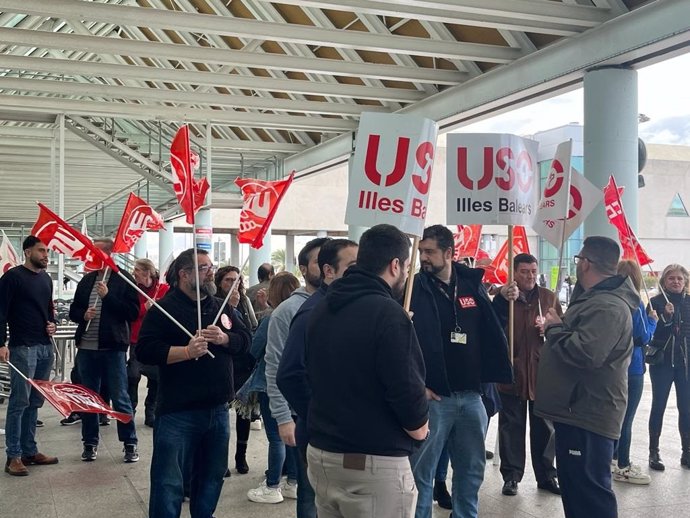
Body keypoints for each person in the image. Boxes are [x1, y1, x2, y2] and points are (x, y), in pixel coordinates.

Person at [306, 224, 429, 518]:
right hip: (374, 463)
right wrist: (420, 428)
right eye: (408, 266)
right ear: (395, 265)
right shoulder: (388, 314)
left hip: (323, 454)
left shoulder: (321, 308)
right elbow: (405, 388)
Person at [137, 248, 251, 518]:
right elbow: (145, 351)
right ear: (184, 274)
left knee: (212, 476)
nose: (211, 270)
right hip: (178, 410)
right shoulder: (165, 308)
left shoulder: (219, 305)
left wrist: (224, 339)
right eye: (203, 267)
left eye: (210, 266)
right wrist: (186, 352)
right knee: (169, 482)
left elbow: (245, 341)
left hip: (219, 408)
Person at [409, 224, 512, 518]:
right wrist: (418, 386)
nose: (423, 258)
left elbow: (491, 329)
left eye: (429, 252)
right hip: (433, 399)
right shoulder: (411, 290)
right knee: (422, 475)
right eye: (421, 252)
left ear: (450, 253)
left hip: (471, 397)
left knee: (470, 472)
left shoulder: (471, 285)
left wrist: (504, 300)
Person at [535, 236, 638, 518]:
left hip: (588, 414)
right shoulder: (595, 300)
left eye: (579, 259)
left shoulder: (608, 306)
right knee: (579, 493)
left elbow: (587, 353)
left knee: (589, 497)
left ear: (586, 263)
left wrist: (555, 328)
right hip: (577, 410)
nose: (577, 264)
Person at [277, 238, 359, 518]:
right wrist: (318, 411)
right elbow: (288, 373)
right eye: (353, 266)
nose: (360, 272)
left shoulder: (348, 306)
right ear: (329, 271)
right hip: (322, 432)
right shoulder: (314, 311)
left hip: (342, 431)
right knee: (313, 500)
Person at [257, 237, 329, 504]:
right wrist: (283, 418)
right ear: (303, 269)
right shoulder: (286, 312)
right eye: (318, 262)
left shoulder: (351, 306)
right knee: (309, 492)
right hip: (304, 415)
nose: (326, 267)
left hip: (343, 415)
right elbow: (275, 366)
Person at [492, 253, 561, 496]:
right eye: (524, 272)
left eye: (533, 271)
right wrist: (501, 300)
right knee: (511, 427)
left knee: (545, 428)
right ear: (514, 273)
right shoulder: (506, 298)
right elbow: (492, 328)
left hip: (542, 374)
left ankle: (546, 476)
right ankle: (511, 476)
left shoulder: (548, 297)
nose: (530, 276)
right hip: (512, 373)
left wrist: (552, 328)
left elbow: (563, 332)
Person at [68, 238, 140, 463]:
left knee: (120, 396)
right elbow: (74, 311)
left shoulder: (123, 280)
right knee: (89, 397)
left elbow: (132, 312)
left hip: (113, 348)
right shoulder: (87, 280)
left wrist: (108, 297)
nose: (91, 256)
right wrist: (83, 315)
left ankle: (129, 443)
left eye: (95, 252)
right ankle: (90, 443)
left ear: (108, 254)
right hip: (86, 348)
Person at [236, 272, 301, 504]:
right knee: (292, 434)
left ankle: (272, 485)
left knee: (276, 437)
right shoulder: (304, 312)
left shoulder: (273, 317)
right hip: (295, 384)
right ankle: (293, 481)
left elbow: (254, 348)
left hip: (269, 383)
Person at [0, 236, 59, 476]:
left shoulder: (46, 278)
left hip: (44, 346)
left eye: (47, 251)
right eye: (41, 250)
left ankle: (29, 450)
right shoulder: (12, 278)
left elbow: (48, 310)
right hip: (22, 347)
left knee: (35, 401)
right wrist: (1, 343)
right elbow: (0, 312)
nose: (46, 255)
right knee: (19, 402)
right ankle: (13, 455)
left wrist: (52, 324)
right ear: (27, 252)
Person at [611, 260, 657, 484]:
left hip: (611, 367)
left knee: (613, 416)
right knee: (626, 418)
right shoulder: (635, 302)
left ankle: (611, 458)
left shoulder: (609, 299)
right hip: (633, 367)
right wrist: (653, 321)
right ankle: (623, 464)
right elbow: (642, 337)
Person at [647, 263, 690, 471]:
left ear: (685, 282)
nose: (676, 282)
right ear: (664, 281)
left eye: (680, 279)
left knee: (686, 408)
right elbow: (652, 332)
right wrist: (666, 317)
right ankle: (653, 452)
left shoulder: (689, 302)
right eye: (671, 278)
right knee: (659, 406)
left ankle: (687, 451)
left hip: (685, 365)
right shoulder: (655, 302)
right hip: (662, 364)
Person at [214, 265, 256, 475]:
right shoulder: (215, 304)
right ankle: (221, 459)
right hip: (225, 363)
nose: (234, 284)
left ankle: (241, 455)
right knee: (222, 413)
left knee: (244, 412)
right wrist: (230, 309)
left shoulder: (245, 300)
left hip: (243, 364)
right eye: (228, 280)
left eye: (237, 280)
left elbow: (249, 330)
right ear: (220, 283)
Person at [127, 258, 169, 427]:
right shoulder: (132, 290)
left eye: (137, 269)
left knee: (156, 378)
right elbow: (130, 313)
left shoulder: (164, 289)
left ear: (147, 272)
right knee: (132, 375)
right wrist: (145, 307)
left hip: (157, 339)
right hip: (136, 339)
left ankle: (151, 410)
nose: (134, 272)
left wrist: (159, 308)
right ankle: (130, 409)